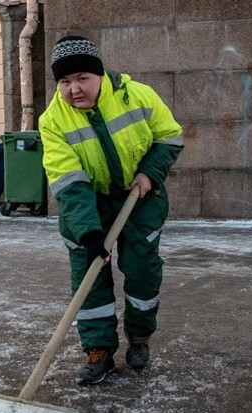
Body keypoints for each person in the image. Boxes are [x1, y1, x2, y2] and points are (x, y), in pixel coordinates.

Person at [38, 35, 184, 385]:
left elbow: (170, 136)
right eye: (65, 81)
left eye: (82, 79)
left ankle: (140, 337)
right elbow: (69, 182)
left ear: (99, 73)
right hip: (87, 202)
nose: (74, 89)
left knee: (142, 272)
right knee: (89, 279)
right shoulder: (53, 121)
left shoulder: (138, 96)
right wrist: (89, 233)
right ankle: (99, 351)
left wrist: (151, 171)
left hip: (139, 198)